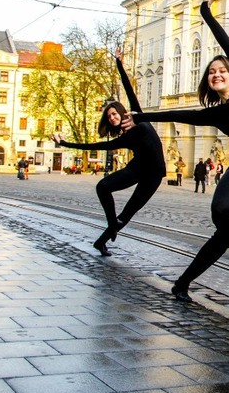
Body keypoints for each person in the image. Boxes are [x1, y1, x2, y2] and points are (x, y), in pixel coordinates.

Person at [123, 0, 229, 303]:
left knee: (225, 231)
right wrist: (141, 114)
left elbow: (228, 45)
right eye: (211, 72)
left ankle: (185, 281)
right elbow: (183, 114)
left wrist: (206, 14)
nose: (216, 74)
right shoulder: (219, 114)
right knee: (222, 212)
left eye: (222, 70)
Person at [53, 51, 164, 257]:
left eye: (114, 113)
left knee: (128, 213)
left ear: (122, 112)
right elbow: (98, 146)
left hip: (154, 175)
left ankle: (102, 241)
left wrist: (119, 63)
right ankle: (112, 224)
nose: (112, 117)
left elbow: (128, 88)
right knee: (103, 186)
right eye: (109, 116)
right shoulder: (124, 137)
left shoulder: (137, 117)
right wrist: (65, 143)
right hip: (137, 169)